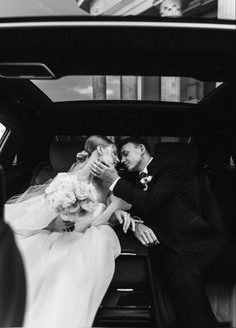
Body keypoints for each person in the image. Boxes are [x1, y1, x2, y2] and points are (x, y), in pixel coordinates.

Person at [91, 136, 236, 328]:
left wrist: (115, 181)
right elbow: (125, 206)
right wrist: (136, 224)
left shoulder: (171, 167)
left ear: (141, 148)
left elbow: (152, 200)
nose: (122, 160)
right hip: (169, 251)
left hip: (200, 241)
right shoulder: (127, 180)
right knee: (185, 290)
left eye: (126, 153)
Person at [4, 135, 133, 328]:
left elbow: (104, 219)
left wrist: (118, 209)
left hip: (84, 238)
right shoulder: (65, 180)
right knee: (38, 268)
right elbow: (47, 218)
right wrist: (61, 221)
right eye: (114, 153)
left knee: (70, 272)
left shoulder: (109, 186)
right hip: (55, 236)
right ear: (99, 151)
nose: (117, 160)